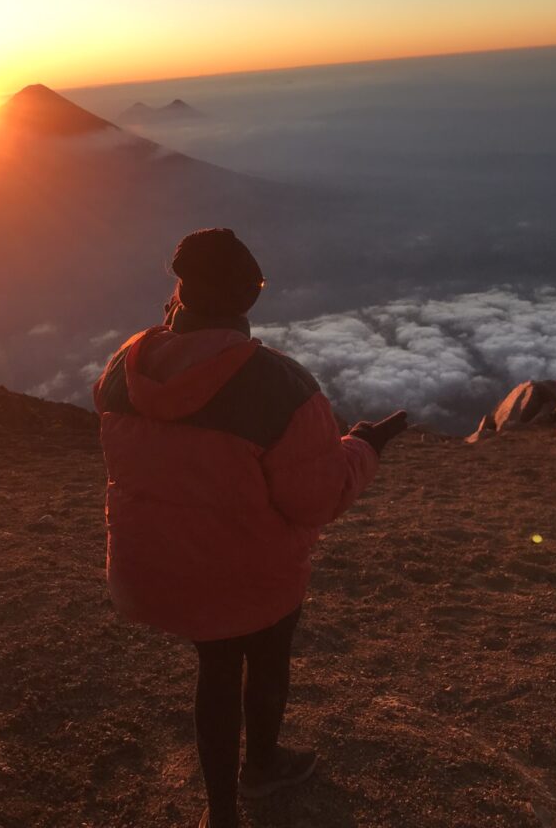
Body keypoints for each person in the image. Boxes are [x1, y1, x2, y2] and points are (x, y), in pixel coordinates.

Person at [93, 228, 407, 828]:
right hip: (242, 580)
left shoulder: (122, 367)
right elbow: (314, 500)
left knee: (216, 659)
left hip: (149, 570)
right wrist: (365, 446)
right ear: (247, 300)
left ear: (180, 290)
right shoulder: (278, 386)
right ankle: (260, 770)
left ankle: (222, 809)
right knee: (260, 652)